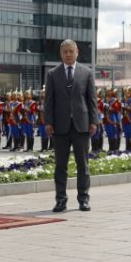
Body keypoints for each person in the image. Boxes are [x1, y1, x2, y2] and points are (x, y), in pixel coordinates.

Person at [43, 39, 99, 213]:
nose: (68, 54)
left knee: (83, 165)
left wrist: (93, 121)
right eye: (65, 51)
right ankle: (61, 200)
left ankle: (84, 199)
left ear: (77, 52)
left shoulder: (87, 73)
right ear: (61, 54)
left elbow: (92, 99)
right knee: (61, 166)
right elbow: (48, 101)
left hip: (81, 126)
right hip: (59, 127)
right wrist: (48, 122)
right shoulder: (53, 74)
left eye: (71, 51)